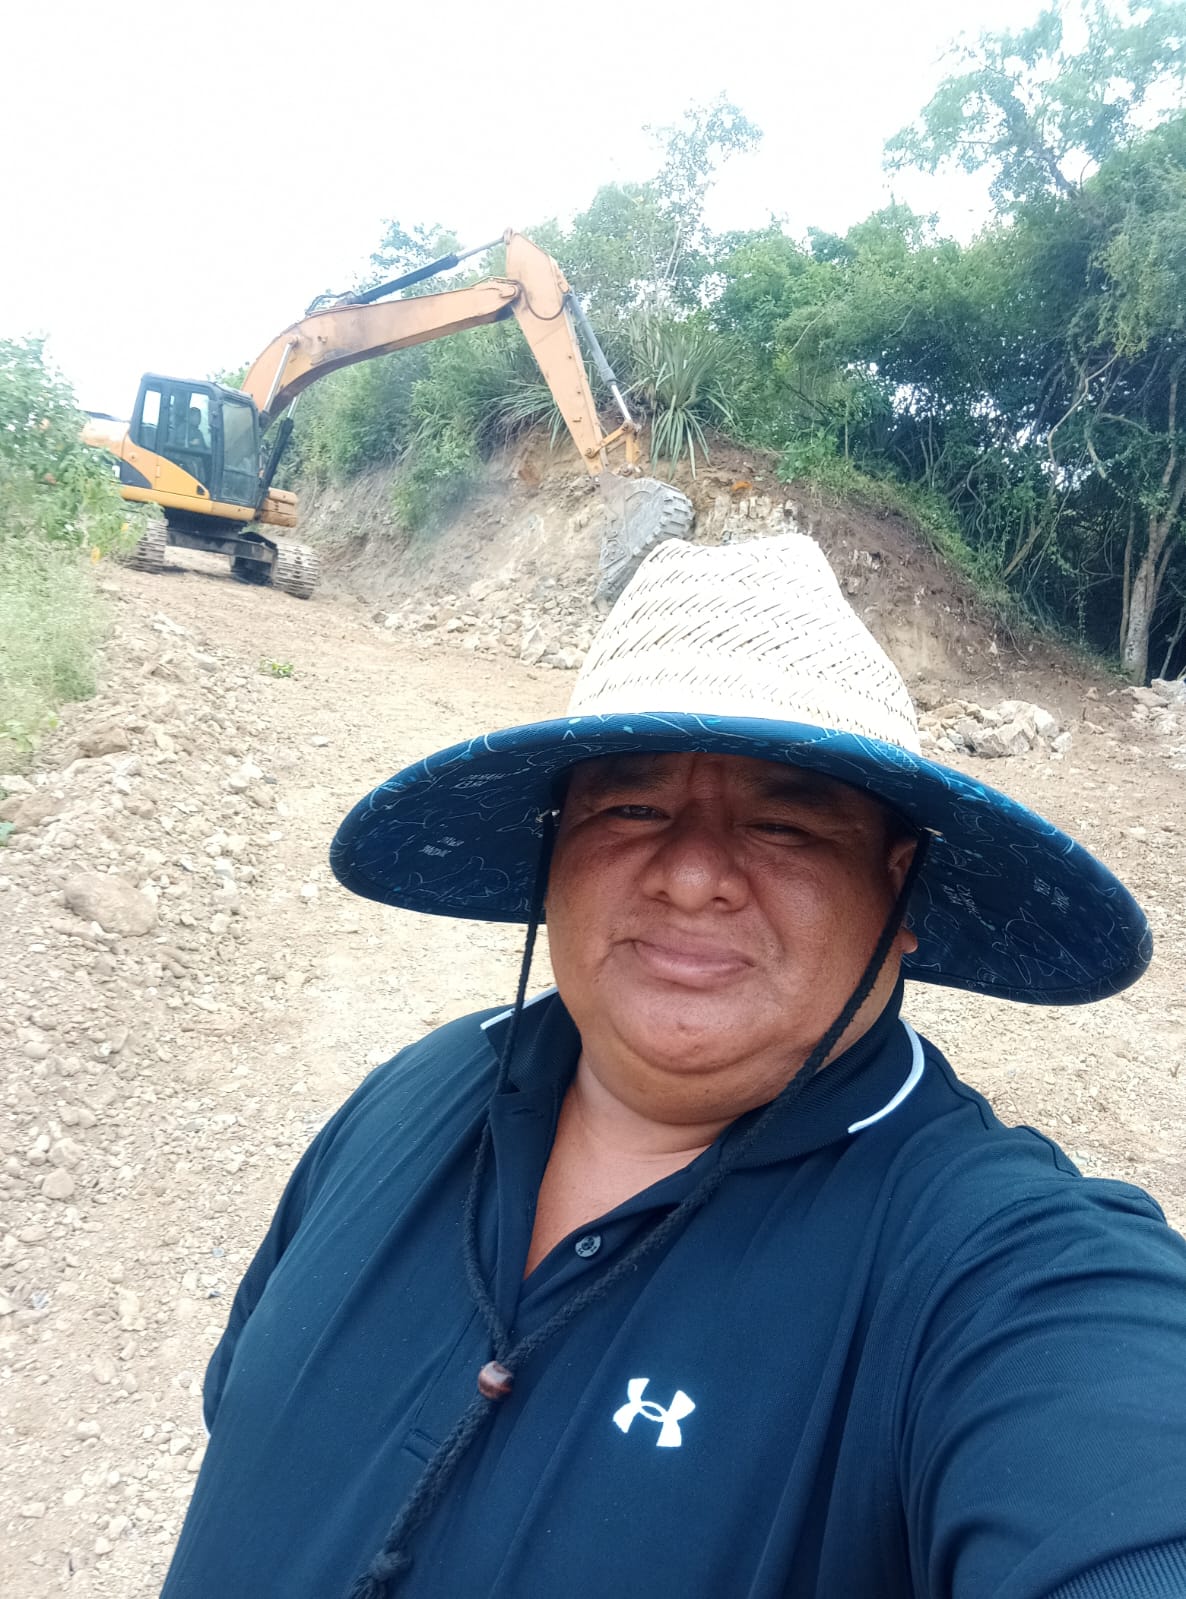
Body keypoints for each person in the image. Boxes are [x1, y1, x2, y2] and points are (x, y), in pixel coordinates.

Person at [161, 534, 1186, 1599]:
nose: (692, 877)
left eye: (785, 823)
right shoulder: (406, 1096)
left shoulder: (1001, 1266)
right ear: (553, 854)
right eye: (632, 808)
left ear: (901, 889)